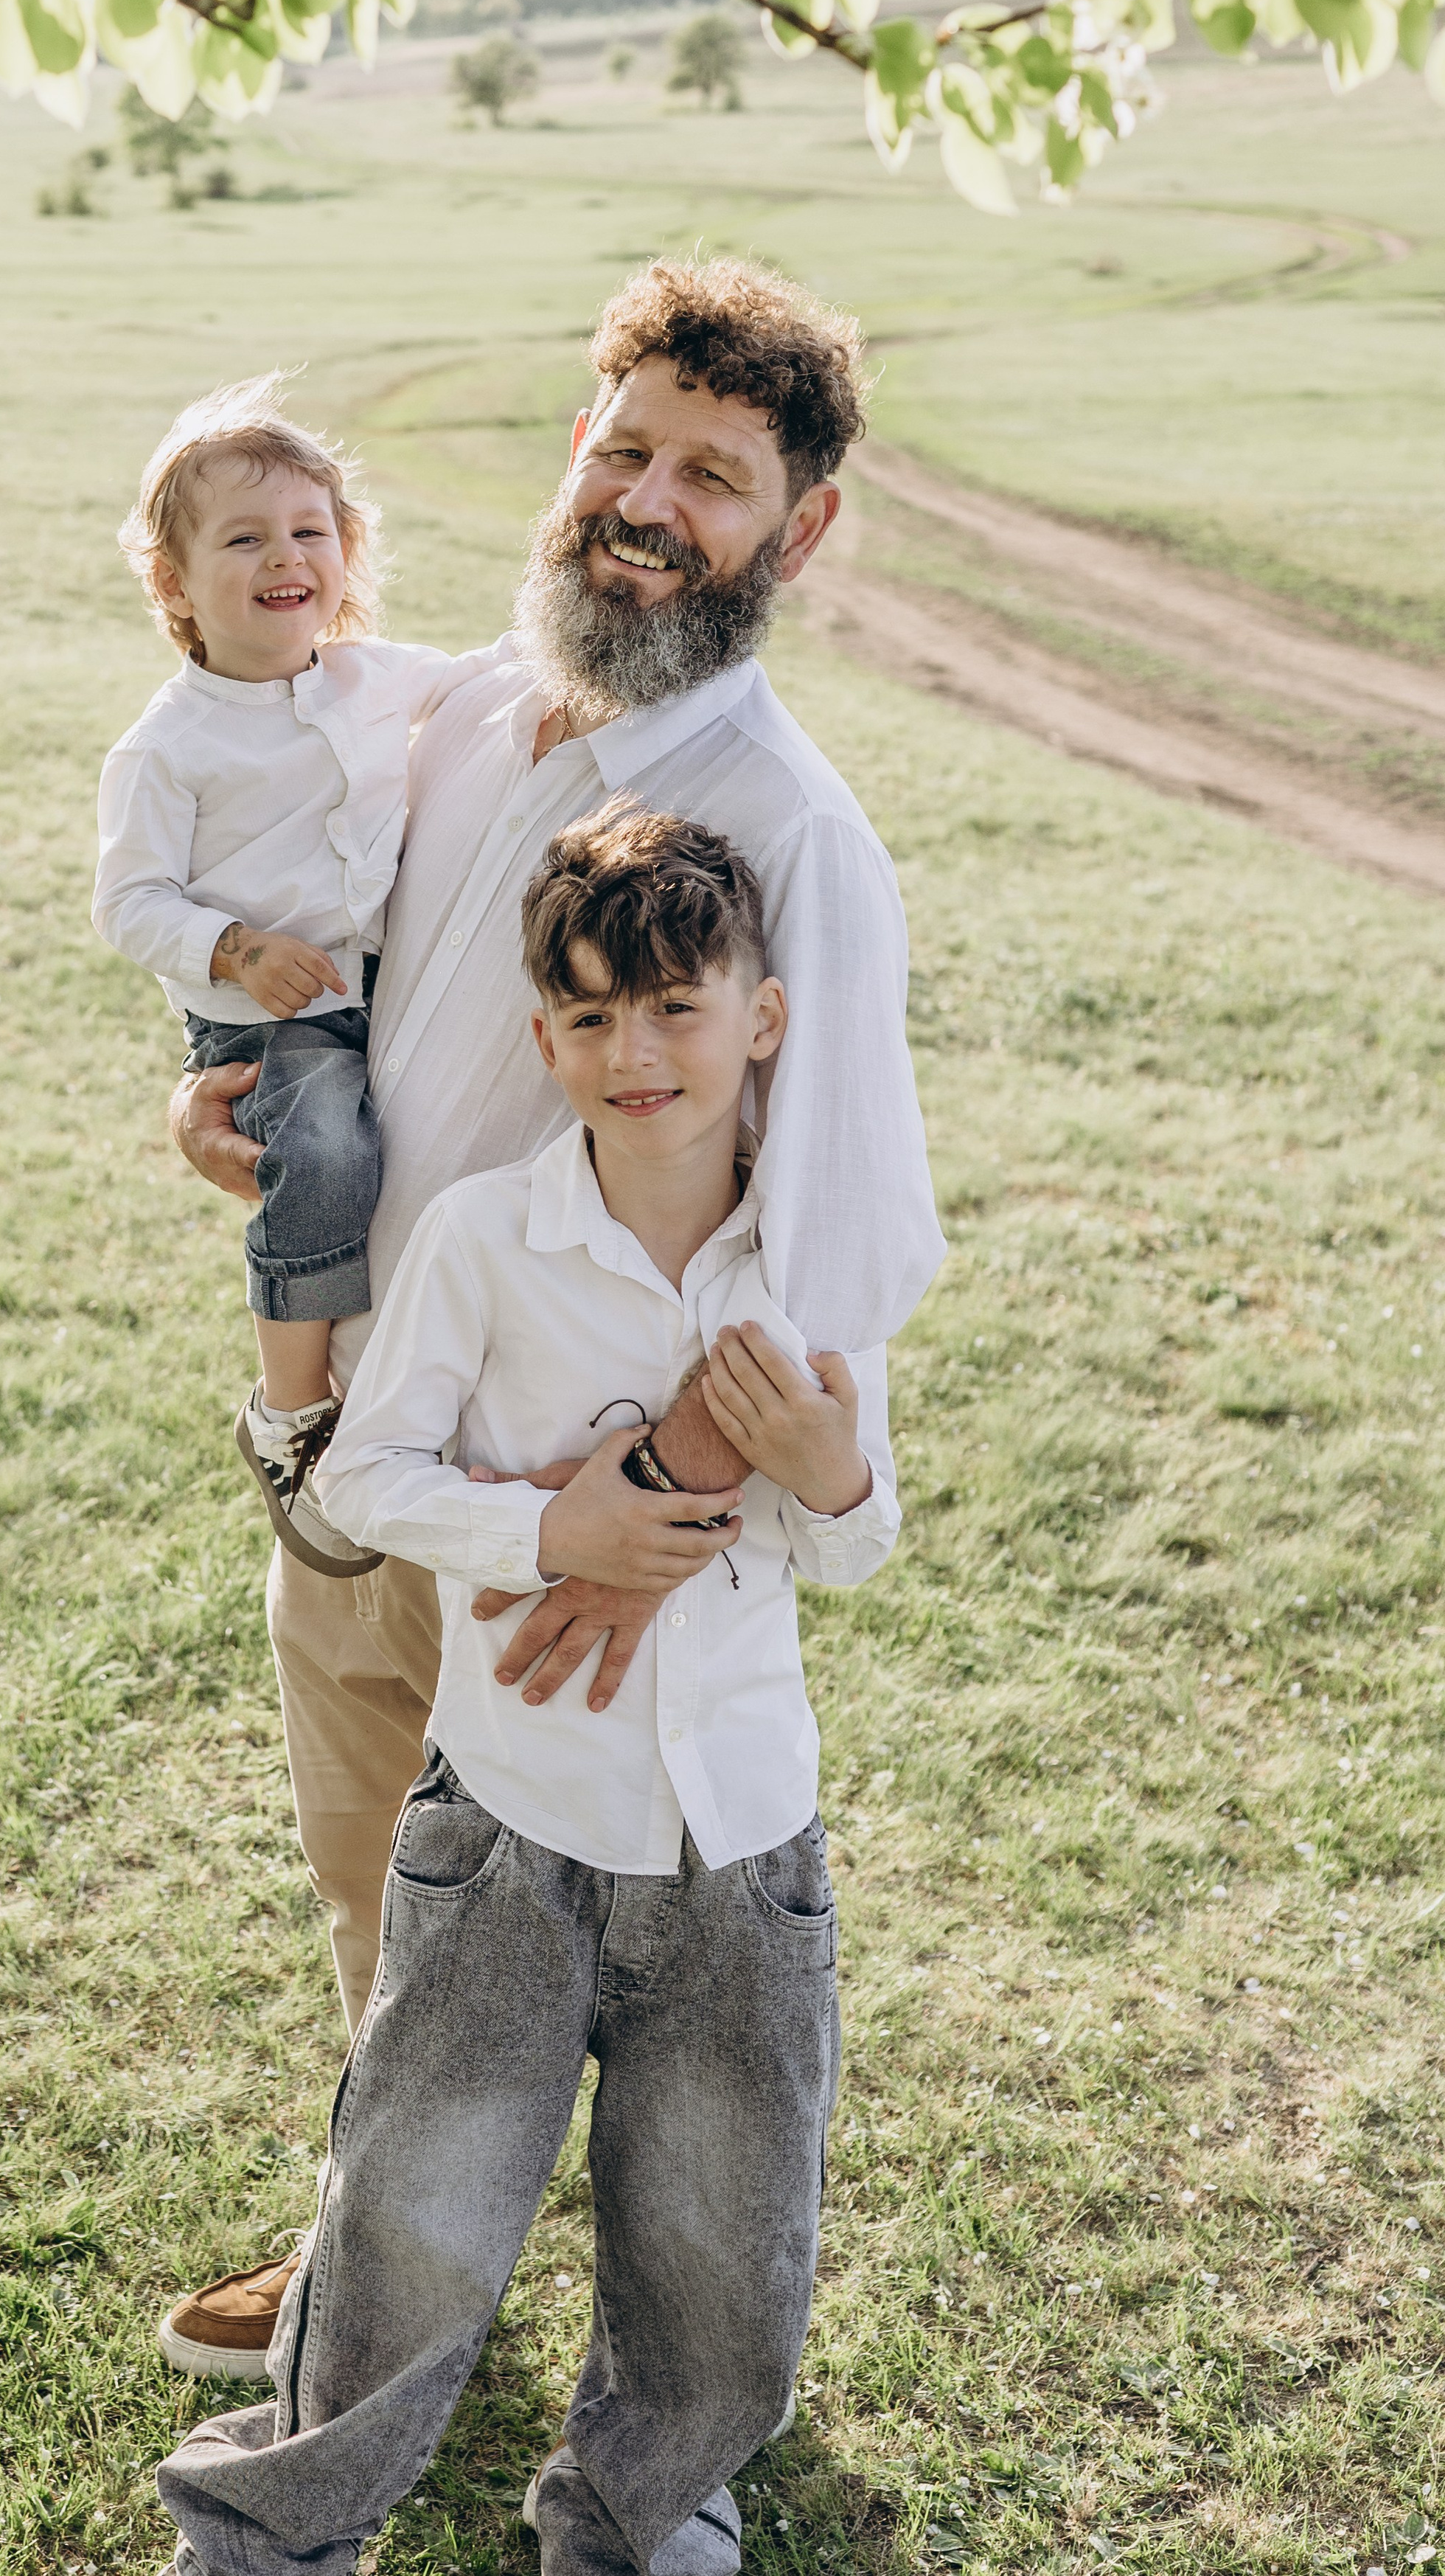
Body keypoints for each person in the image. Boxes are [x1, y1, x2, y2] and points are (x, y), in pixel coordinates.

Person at [157, 257, 944, 2380]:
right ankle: (381, 2262)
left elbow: (840, 1250)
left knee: (587, 1961)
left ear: (798, 530)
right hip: (370, 1450)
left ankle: (659, 2380)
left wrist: (639, 1513)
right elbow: (367, 1010)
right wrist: (233, 1104)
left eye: (714, 476)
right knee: (380, 1900)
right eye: (626, 447)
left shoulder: (788, 833)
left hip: (587, 1534)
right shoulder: (456, 715)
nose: (647, 503)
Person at [155, 807, 898, 2576]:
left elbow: (855, 1544)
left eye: (674, 1007)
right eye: (587, 1016)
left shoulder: (812, 1260)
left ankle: (642, 2508)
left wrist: (827, 1470)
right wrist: (550, 1526)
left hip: (739, 1845)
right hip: (506, 1819)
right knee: (410, 2214)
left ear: (762, 1017)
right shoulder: (487, 1237)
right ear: (544, 1035)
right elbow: (363, 1473)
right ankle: (272, 2525)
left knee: (719, 2244)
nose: (633, 1051)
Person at [94, 375, 504, 1574]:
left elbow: (486, 678)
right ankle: (289, 1412)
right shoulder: (170, 745)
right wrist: (235, 947)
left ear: (346, 550)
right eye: (244, 539)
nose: (286, 556)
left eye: (309, 530)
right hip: (264, 1023)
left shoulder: (375, 679)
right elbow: (128, 903)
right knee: (324, 1153)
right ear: (174, 583)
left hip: (380, 991)